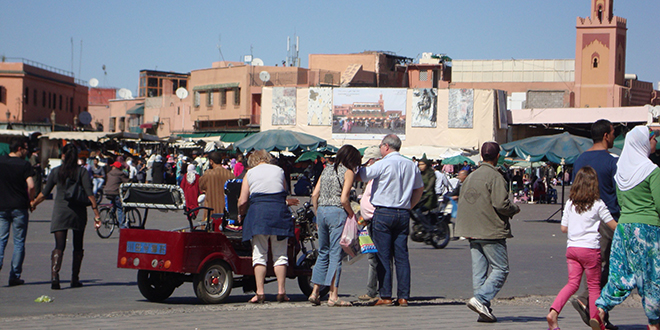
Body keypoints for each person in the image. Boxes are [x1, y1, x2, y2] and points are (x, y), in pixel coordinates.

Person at [594, 126, 660, 330]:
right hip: (648, 230)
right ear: (643, 143)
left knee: (619, 273)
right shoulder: (652, 170)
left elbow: (620, 202)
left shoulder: (621, 171)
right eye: (652, 138)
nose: (655, 142)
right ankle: (654, 323)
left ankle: (602, 309)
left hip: (624, 229)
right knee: (652, 278)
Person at [455, 141, 520, 322]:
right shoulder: (495, 177)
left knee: (480, 272)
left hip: (471, 229)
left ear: (482, 156)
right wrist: (514, 209)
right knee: (501, 269)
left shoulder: (470, 176)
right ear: (497, 157)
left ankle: (483, 309)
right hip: (490, 230)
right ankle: (481, 299)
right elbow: (501, 204)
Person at [546, 166, 617, 330]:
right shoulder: (598, 204)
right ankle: (595, 320)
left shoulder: (570, 203)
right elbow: (613, 225)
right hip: (590, 250)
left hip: (572, 250)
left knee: (572, 284)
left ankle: (553, 313)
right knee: (593, 287)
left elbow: (563, 228)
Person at [357, 134, 424, 307]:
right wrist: (409, 205)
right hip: (402, 213)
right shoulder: (411, 164)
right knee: (402, 256)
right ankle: (403, 296)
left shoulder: (383, 163)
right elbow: (419, 188)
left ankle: (386, 295)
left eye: (381, 146)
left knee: (383, 255)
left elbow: (362, 176)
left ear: (386, 146)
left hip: (384, 212)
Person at [570, 119, 620, 329]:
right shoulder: (612, 162)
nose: (614, 137)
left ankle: (601, 318)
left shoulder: (580, 159)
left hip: (583, 219)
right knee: (606, 267)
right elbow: (619, 192)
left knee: (593, 265)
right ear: (607, 136)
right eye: (613, 133)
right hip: (607, 220)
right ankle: (587, 300)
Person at [31, 144, 101, 289]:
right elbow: (90, 194)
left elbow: (44, 193)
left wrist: (34, 203)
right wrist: (97, 215)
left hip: (60, 212)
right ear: (76, 157)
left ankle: (55, 277)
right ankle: (74, 279)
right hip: (78, 213)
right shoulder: (81, 172)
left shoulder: (56, 171)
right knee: (78, 245)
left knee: (59, 246)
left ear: (63, 155)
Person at [308, 145, 362, 307]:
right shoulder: (348, 172)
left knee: (323, 252)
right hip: (337, 213)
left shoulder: (327, 169)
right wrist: (352, 214)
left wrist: (318, 215)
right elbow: (344, 199)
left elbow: (314, 194)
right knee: (335, 255)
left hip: (322, 211)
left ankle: (315, 291)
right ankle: (333, 295)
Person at [238, 150, 293, 303]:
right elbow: (284, 191)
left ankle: (260, 292)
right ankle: (281, 291)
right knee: (280, 254)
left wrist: (240, 214)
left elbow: (242, 200)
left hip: (258, 216)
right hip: (279, 214)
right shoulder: (279, 170)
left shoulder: (249, 174)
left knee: (259, 254)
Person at [0, 137, 35, 286]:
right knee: (19, 242)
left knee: (1, 240)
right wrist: (31, 200)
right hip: (19, 207)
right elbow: (31, 185)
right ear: (20, 149)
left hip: (2, 206)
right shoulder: (24, 165)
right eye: (26, 149)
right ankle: (14, 276)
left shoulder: (1, 161)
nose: (27, 152)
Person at [357, 145, 383, 303]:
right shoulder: (373, 177)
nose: (366, 166)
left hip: (375, 220)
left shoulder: (378, 175)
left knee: (376, 258)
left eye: (368, 163)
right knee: (373, 257)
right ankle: (374, 290)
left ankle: (374, 291)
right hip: (369, 220)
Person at [199, 152, 235, 216]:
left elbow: (201, 187)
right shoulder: (230, 174)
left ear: (211, 161)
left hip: (211, 209)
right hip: (226, 211)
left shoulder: (208, 174)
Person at [413, 155, 437, 241]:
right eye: (419, 164)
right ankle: (419, 224)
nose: (420, 166)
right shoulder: (418, 174)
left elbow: (430, 184)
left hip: (429, 197)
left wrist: (425, 190)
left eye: (422, 164)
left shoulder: (431, 174)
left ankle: (429, 228)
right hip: (421, 196)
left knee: (419, 211)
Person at [104, 161, 129, 227]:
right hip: (115, 192)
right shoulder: (121, 174)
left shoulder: (109, 173)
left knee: (113, 203)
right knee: (120, 208)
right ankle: (122, 226)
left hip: (107, 191)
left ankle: (111, 213)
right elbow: (126, 182)